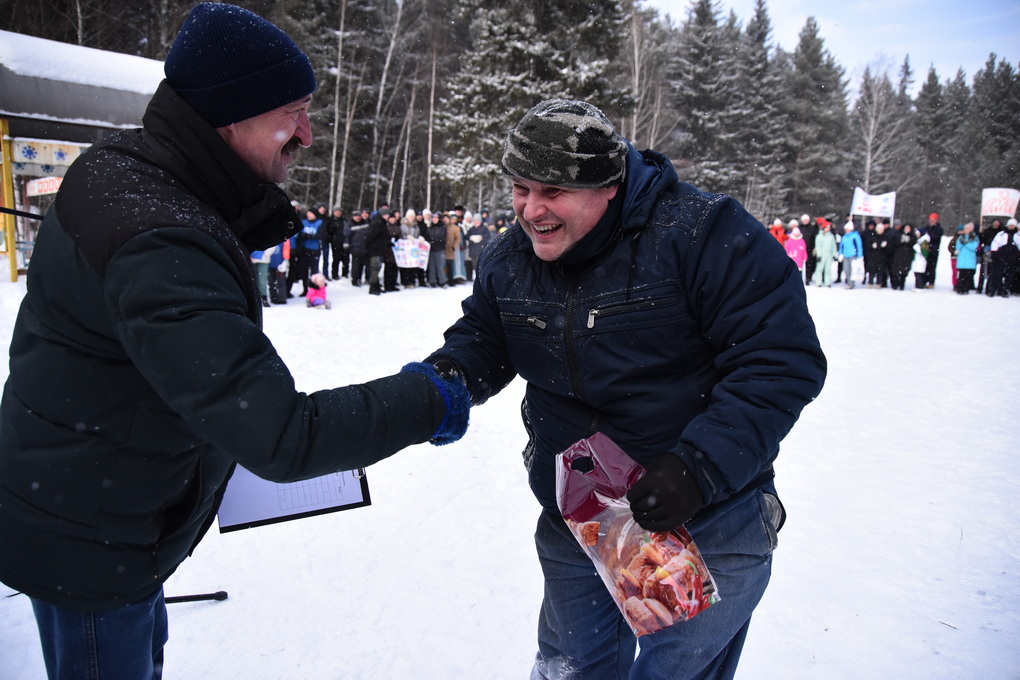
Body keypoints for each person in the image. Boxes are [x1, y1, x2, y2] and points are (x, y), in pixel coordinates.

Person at [0, 5, 470, 678]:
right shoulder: (160, 238)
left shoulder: (126, 170)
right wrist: (429, 399)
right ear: (228, 116)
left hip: (98, 508)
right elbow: (279, 435)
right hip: (92, 544)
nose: (307, 133)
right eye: (292, 113)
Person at [421, 99, 826, 679]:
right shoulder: (512, 258)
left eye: (553, 191)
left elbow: (779, 359)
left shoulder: (703, 234)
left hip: (704, 520)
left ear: (608, 186)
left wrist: (699, 467)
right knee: (571, 669)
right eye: (520, 189)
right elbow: (485, 338)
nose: (530, 210)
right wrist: (443, 383)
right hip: (582, 516)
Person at [988, 217, 1020, 297]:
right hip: (1001, 256)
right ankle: (996, 289)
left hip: (1012, 257)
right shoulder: (1001, 234)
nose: (1011, 227)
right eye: (1010, 225)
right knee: (997, 274)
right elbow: (995, 244)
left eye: (1013, 225)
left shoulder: (1017, 235)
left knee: (1009, 275)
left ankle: (1006, 290)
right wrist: (994, 254)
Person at [346, 207, 370, 286]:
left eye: (359, 216)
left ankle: (368, 279)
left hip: (366, 247)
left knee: (367, 265)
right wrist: (347, 245)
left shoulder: (366, 223)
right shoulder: (349, 224)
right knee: (356, 266)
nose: (358, 217)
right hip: (355, 248)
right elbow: (346, 236)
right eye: (356, 216)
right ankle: (355, 280)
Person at [953, 222, 979, 295]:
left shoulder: (975, 238)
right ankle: (960, 289)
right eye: (965, 229)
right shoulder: (961, 237)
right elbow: (958, 247)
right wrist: (960, 243)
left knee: (968, 276)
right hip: (962, 260)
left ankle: (966, 289)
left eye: (967, 229)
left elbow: (973, 248)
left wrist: (966, 243)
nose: (965, 230)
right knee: (961, 275)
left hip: (970, 260)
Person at [812, 218, 837, 287]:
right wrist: (819, 255)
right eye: (827, 227)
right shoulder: (819, 236)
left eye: (829, 227)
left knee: (828, 269)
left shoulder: (831, 236)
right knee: (819, 269)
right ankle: (818, 282)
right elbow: (818, 246)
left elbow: (833, 246)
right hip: (822, 254)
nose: (828, 229)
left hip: (829, 254)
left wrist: (834, 254)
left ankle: (827, 282)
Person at [838, 221, 863, 289]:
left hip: (853, 255)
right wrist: (841, 253)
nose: (846, 230)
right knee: (846, 270)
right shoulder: (844, 236)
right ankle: (849, 282)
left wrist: (860, 256)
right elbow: (841, 246)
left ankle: (851, 283)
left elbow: (859, 246)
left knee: (853, 270)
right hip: (845, 255)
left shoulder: (855, 236)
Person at [925, 212, 944, 288]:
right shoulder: (927, 228)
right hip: (926, 250)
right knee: (925, 267)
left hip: (933, 251)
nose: (931, 221)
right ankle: (924, 281)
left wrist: (928, 235)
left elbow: (934, 237)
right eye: (931, 220)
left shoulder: (939, 229)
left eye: (933, 220)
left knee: (932, 268)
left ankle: (931, 282)